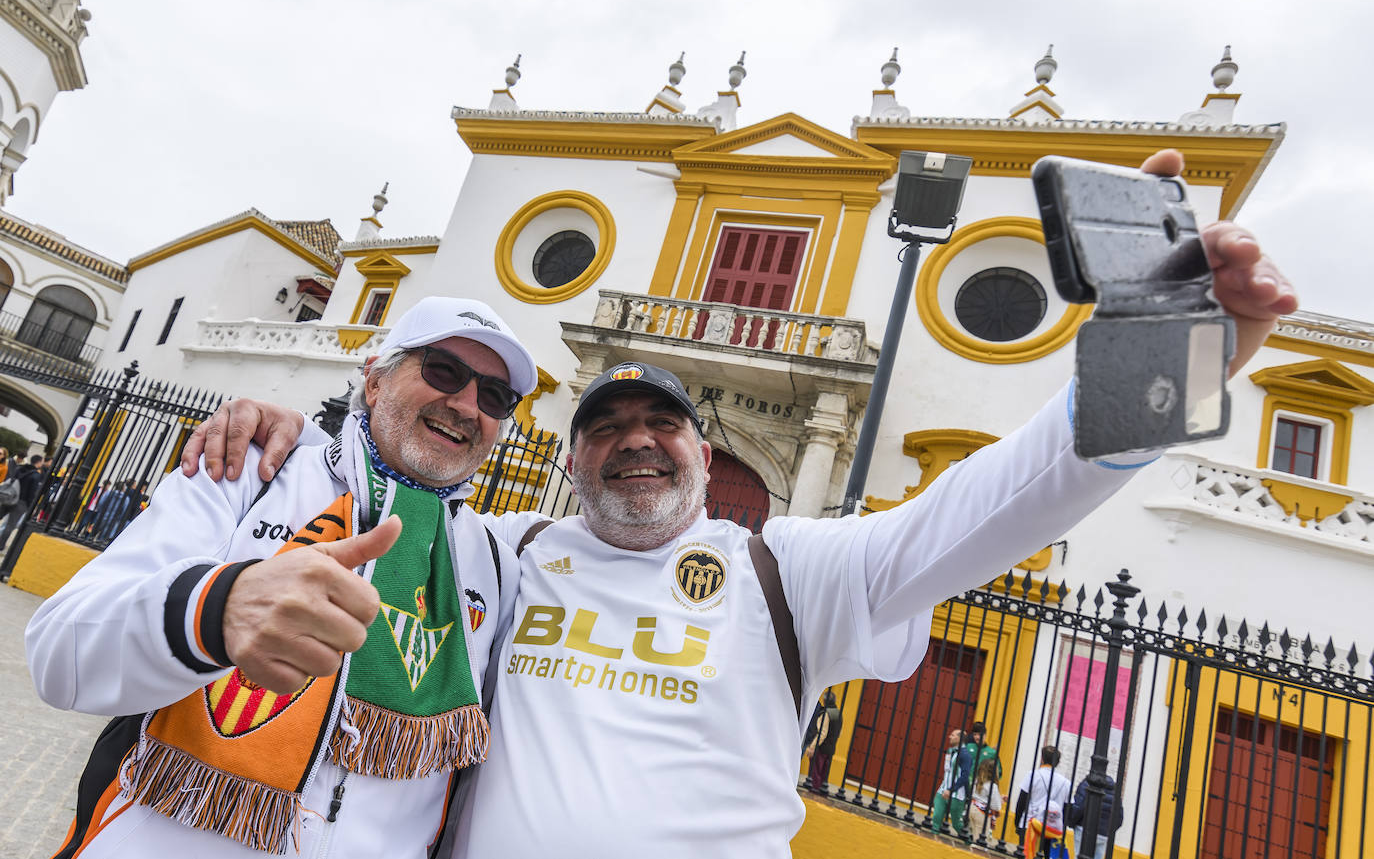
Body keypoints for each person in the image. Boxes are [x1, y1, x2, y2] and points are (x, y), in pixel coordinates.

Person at [171, 150, 1296, 858]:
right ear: (572, 464)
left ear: (704, 458)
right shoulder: (501, 550)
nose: (635, 446)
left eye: (660, 426)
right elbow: (382, 467)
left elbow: (995, 503)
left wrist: (1174, 367)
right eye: (604, 431)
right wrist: (289, 423)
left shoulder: (794, 568)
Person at [25, 297, 540, 858]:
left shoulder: (495, 561)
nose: (467, 403)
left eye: (494, 396)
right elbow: (60, 654)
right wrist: (214, 611)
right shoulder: (249, 473)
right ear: (374, 381)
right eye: (443, 370)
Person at [1015, 745, 1072, 857]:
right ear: (1058, 762)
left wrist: (1017, 822)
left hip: (1031, 824)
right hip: (1052, 829)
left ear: (1042, 759)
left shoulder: (1033, 775)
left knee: (1026, 855)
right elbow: (1068, 809)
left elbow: (1022, 801)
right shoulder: (1066, 783)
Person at [0, 454, 45, 574]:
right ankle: (0, 545)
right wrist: (31, 507)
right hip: (21, 502)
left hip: (9, 497)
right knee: (10, 526)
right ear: (39, 462)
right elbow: (32, 492)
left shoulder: (20, 468)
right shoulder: (35, 475)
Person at [1066, 773, 1124, 859]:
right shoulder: (1115, 791)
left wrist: (1072, 823)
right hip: (1103, 834)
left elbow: (1079, 807)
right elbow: (1119, 817)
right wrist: (1107, 830)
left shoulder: (1087, 783)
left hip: (1083, 828)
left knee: (1079, 856)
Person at [930, 728, 971, 834]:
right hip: (943, 789)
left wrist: (951, 789)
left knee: (957, 823)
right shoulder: (950, 751)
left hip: (957, 794)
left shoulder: (965, 755)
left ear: (959, 738)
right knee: (936, 816)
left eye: (952, 735)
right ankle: (934, 835)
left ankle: (968, 841)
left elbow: (964, 776)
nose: (950, 737)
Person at [805, 690, 842, 793]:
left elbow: (822, 733)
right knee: (823, 774)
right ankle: (820, 793)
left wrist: (812, 747)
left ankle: (814, 793)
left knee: (815, 773)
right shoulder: (838, 713)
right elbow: (840, 732)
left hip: (821, 748)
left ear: (825, 701)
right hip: (831, 748)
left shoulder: (826, 713)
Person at [967, 751, 1003, 843]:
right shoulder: (992, 786)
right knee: (980, 841)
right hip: (982, 814)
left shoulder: (977, 781)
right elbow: (996, 806)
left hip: (972, 808)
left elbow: (978, 796)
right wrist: (1000, 800)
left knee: (973, 835)